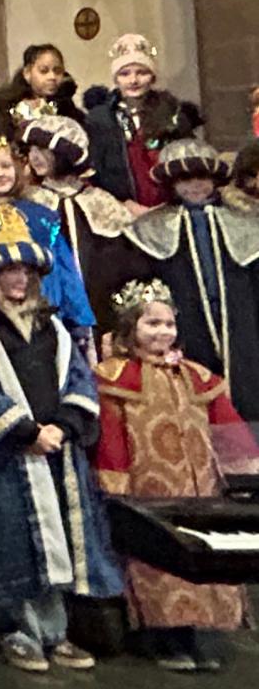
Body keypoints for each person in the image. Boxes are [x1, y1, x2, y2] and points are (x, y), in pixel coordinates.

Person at [0, 209, 120, 673]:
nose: (19, 280)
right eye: (9, 271)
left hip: (55, 451)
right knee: (9, 542)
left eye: (26, 271)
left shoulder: (53, 326)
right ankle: (14, 630)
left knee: (59, 539)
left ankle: (55, 631)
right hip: (4, 454)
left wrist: (63, 425)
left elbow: (79, 379)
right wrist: (25, 431)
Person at [93, 280, 259, 671]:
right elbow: (111, 433)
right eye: (152, 324)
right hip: (147, 487)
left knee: (196, 556)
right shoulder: (115, 377)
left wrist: (246, 469)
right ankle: (161, 639)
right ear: (131, 328)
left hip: (198, 489)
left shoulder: (196, 376)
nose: (163, 332)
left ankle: (192, 636)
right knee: (154, 561)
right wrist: (116, 483)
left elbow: (228, 426)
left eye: (168, 324)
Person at [123, 139, 259, 421]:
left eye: (201, 178)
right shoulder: (153, 227)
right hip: (185, 320)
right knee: (195, 389)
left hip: (241, 319)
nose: (194, 185)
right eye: (185, 179)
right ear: (172, 183)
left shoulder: (245, 221)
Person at [0, 135, 95, 346]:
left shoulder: (41, 216)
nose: (0, 173)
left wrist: (79, 320)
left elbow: (66, 271)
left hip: (48, 316)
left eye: (6, 166)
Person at [21, 113, 142, 321]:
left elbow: (125, 262)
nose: (34, 157)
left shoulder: (100, 201)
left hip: (100, 306)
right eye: (31, 149)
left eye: (42, 150)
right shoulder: (29, 202)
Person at [82, 33, 202, 207]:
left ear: (152, 76)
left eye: (142, 72)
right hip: (121, 209)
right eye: (124, 74)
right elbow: (96, 172)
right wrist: (126, 205)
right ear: (116, 79)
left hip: (171, 206)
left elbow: (189, 163)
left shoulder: (173, 114)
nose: (133, 80)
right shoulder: (99, 120)